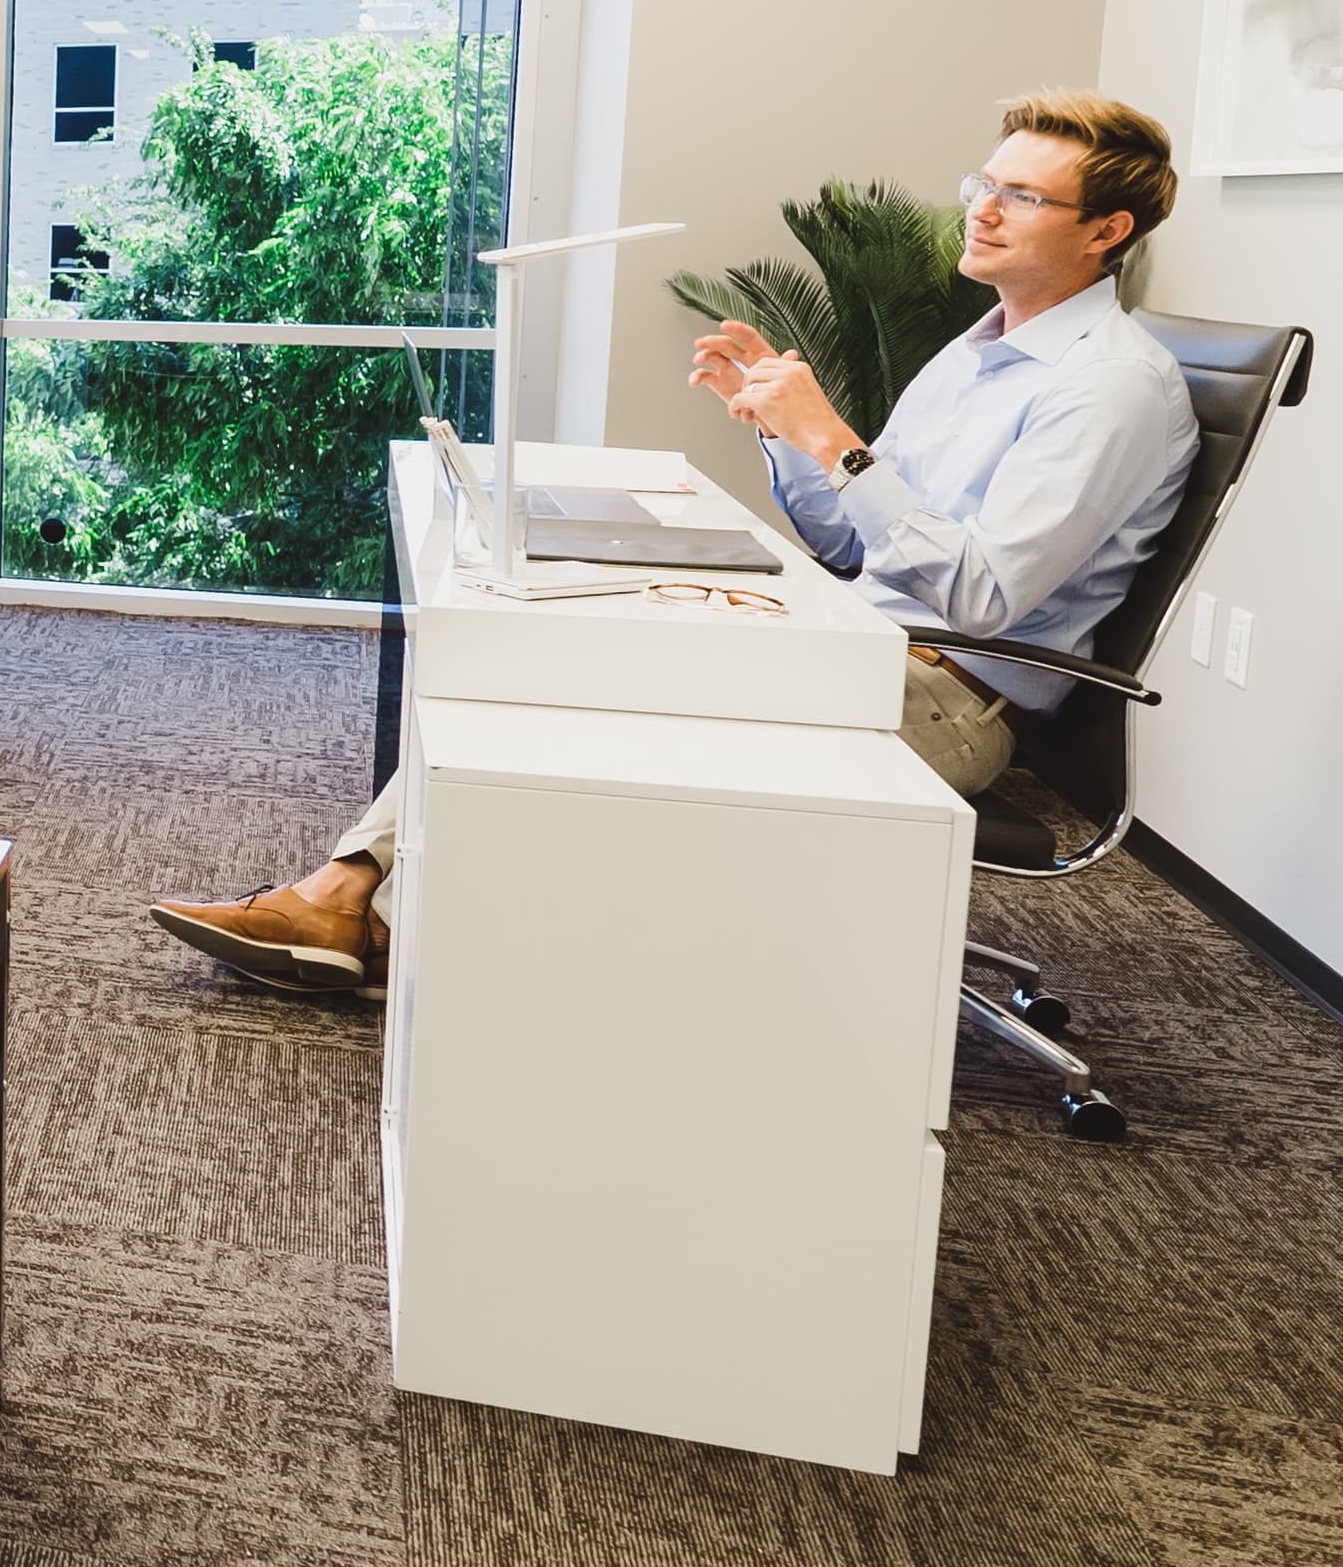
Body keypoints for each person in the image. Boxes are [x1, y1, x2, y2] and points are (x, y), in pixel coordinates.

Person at [149, 89, 1201, 994]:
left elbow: (979, 599)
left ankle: (362, 913)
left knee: (602, 676)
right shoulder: (977, 353)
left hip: (947, 697)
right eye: (985, 182)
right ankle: (349, 898)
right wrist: (785, 437)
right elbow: (847, 544)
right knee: (559, 648)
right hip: (862, 642)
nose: (983, 208)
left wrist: (832, 438)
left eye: (1024, 195)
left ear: (1106, 231)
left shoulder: (1106, 387)